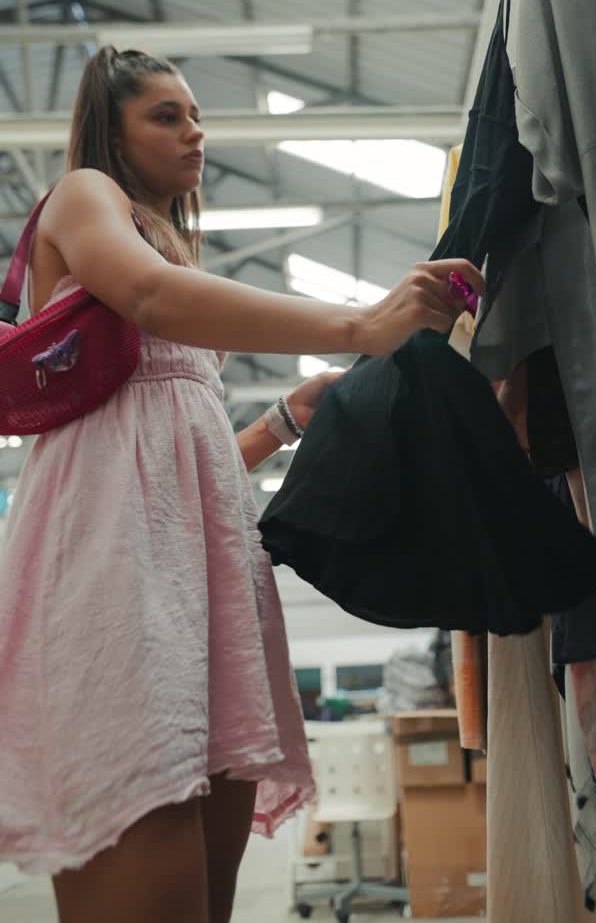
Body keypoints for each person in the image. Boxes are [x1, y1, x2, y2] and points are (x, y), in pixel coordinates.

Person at [0, 47, 483, 923]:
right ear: (110, 132)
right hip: (115, 580)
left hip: (198, 588)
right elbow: (146, 295)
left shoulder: (173, 242)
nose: (196, 132)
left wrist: (282, 422)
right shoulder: (84, 198)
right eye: (166, 115)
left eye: (196, 114)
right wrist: (359, 325)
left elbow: (174, 449)